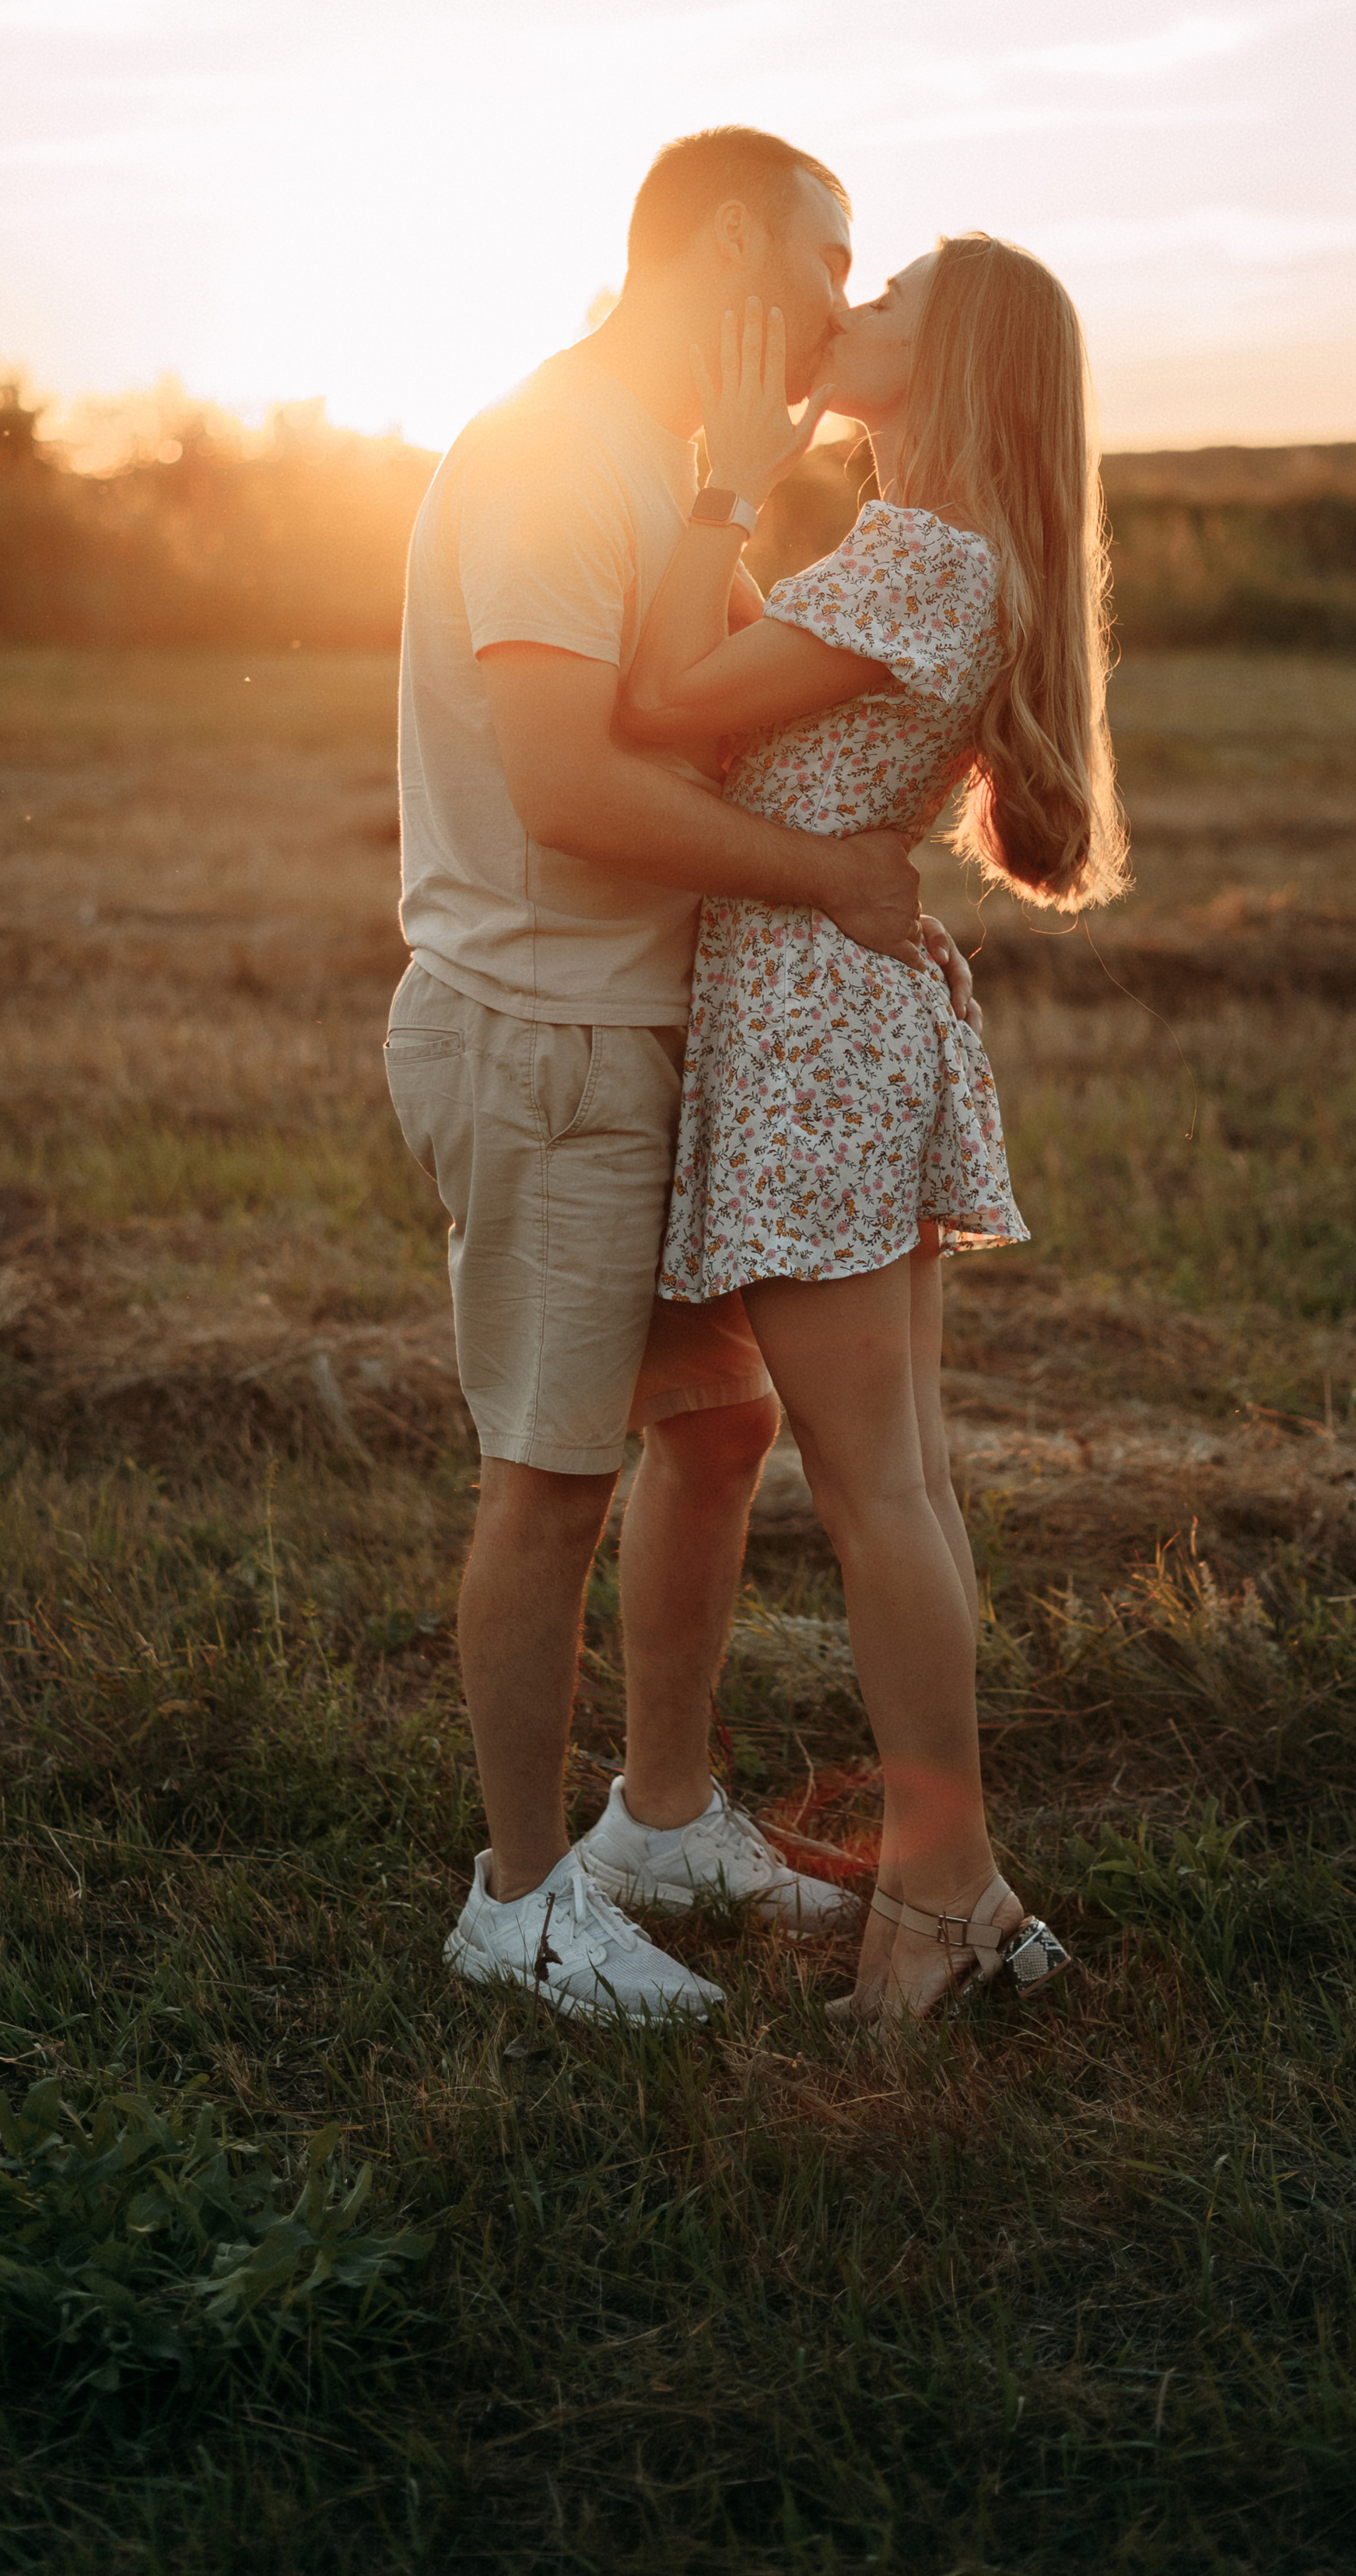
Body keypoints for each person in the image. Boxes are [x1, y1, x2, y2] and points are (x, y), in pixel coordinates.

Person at [384, 128, 979, 2023]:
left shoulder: (673, 462)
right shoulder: (558, 452)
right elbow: (576, 778)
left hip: (637, 1035)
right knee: (552, 1476)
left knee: (714, 1430)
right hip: (544, 1032)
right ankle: (517, 1896)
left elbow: (729, 710)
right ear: (731, 245)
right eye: (829, 251)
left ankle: (658, 1814)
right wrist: (832, 883)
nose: (836, 292)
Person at [618, 233, 1130, 2022]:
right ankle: (963, 1885)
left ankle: (935, 1898)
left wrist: (716, 497)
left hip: (815, 1035)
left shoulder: (918, 551)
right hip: (850, 1028)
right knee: (899, 1484)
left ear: (957, 361)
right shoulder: (933, 553)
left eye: (887, 301)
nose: (846, 314)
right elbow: (764, 702)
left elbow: (663, 709)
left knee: (875, 1494)